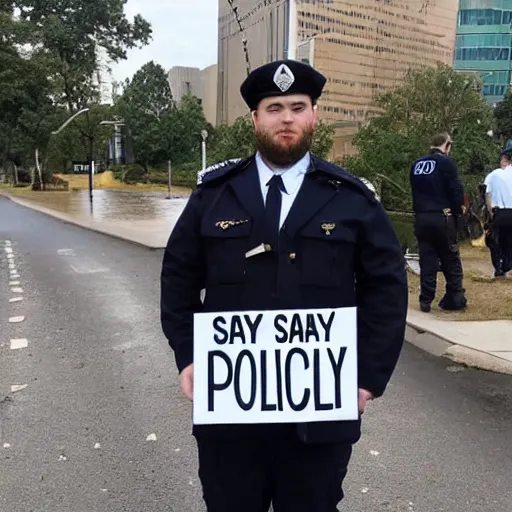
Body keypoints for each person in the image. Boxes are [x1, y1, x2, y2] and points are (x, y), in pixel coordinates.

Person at [160, 59, 408, 512]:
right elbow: (177, 280)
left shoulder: (352, 200)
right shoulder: (213, 195)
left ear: (314, 115)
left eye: (298, 106)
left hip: (320, 413)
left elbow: (387, 293)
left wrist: (367, 380)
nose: (287, 118)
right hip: (231, 413)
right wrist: (189, 356)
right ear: (255, 119)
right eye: (274, 108)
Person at [409, 133, 467, 313]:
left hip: (422, 217)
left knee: (427, 260)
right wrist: (458, 212)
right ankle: (455, 298)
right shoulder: (446, 163)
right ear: (447, 146)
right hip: (442, 216)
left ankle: (425, 300)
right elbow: (455, 190)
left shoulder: (417, 165)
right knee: (451, 258)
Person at [483, 151, 512, 276]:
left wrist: (490, 213)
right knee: (509, 241)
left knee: (495, 240)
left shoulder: (493, 174)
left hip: (499, 213)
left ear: (503, 161)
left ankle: (498, 267)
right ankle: (507, 264)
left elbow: (487, 193)